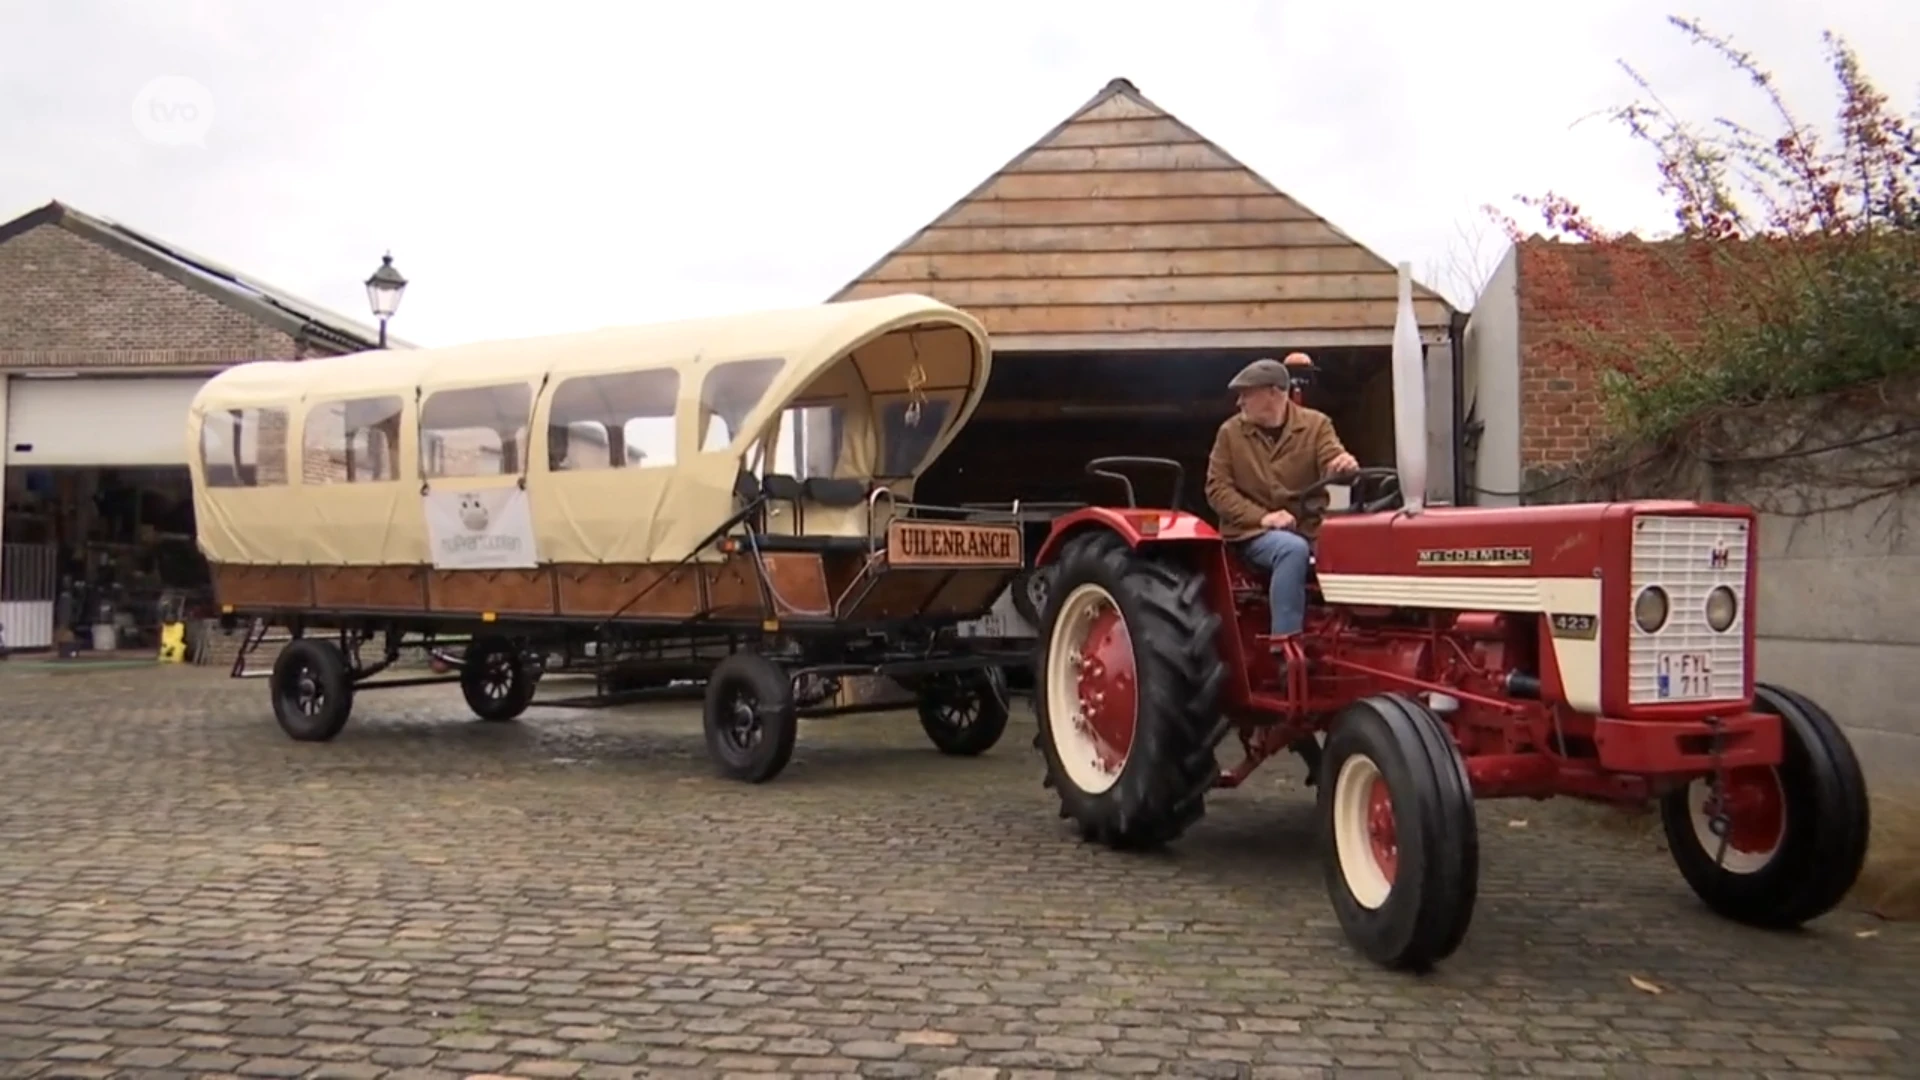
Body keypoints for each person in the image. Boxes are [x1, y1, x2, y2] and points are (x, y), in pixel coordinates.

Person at [1204, 356, 1358, 652]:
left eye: (1246, 394)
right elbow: (1217, 489)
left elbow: (1334, 463)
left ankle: (1354, 637)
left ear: (1274, 393)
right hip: (1251, 534)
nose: (1239, 403)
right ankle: (1286, 647)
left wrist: (1342, 468)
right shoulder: (1230, 433)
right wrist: (1263, 518)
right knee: (1291, 549)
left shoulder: (1316, 425)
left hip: (1309, 528)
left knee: (1356, 545)